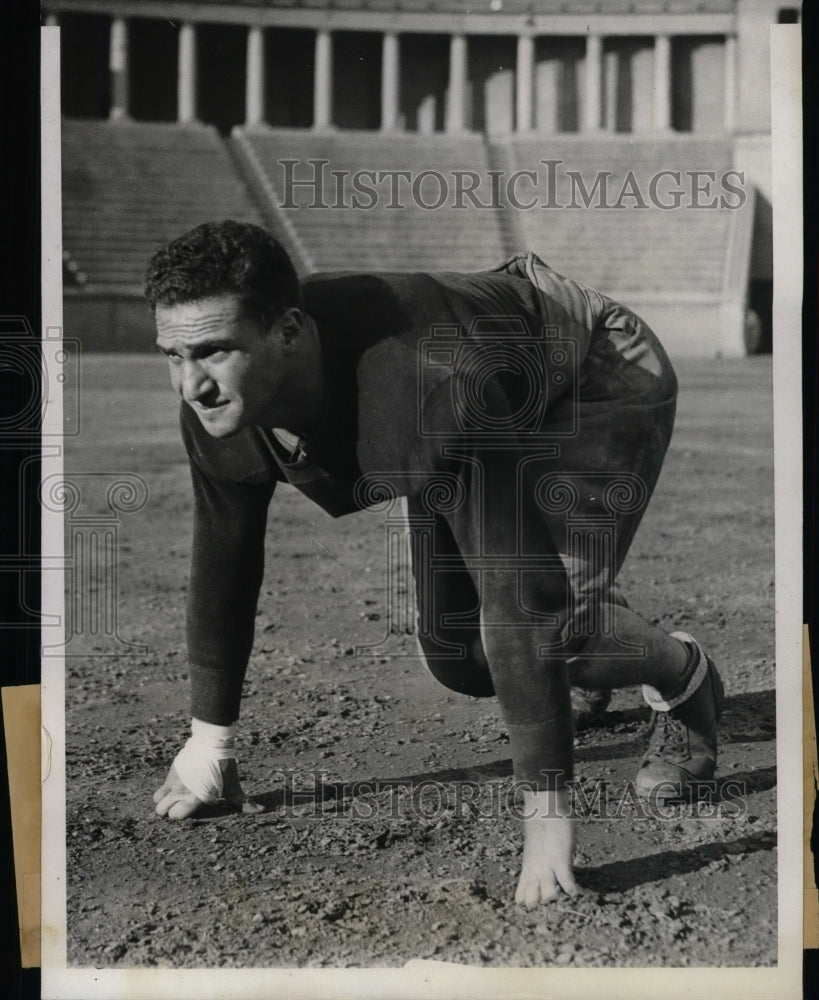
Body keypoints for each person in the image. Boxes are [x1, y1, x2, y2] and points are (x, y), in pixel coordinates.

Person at [145, 220, 724, 906]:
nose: (191, 384)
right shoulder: (218, 402)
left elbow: (518, 593)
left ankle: (682, 675)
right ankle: (591, 634)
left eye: (212, 352)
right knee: (460, 657)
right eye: (173, 355)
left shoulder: (428, 385)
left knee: (548, 621)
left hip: (587, 369)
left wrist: (545, 812)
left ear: (290, 332)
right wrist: (210, 748)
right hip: (486, 373)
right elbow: (224, 564)